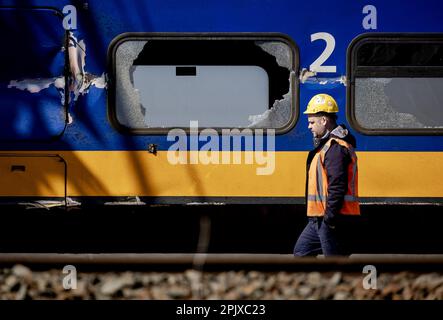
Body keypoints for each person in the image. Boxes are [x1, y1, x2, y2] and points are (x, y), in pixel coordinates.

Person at [293, 93, 360, 257]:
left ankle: (342, 282)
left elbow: (337, 184)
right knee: (302, 252)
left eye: (312, 122)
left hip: (332, 217)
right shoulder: (326, 146)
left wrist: (330, 218)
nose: (309, 126)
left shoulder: (335, 148)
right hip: (318, 218)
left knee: (335, 262)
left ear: (324, 121)